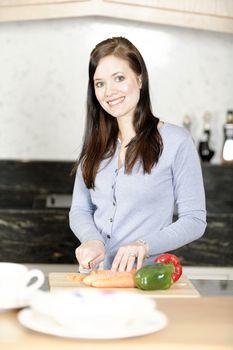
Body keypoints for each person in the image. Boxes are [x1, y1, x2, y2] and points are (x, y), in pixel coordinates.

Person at [69, 37, 206, 272]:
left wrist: (144, 245)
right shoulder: (95, 143)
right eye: (99, 83)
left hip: (147, 279)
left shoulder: (176, 141)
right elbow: (80, 210)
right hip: (96, 278)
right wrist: (92, 239)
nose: (109, 91)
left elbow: (194, 220)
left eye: (119, 78)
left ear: (140, 79)